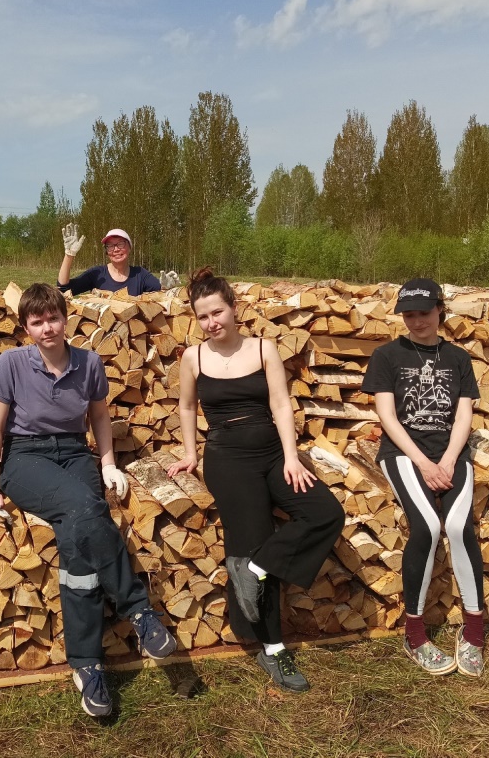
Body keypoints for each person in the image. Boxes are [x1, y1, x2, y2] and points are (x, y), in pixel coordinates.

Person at [0, 282, 176, 717]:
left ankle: (87, 666)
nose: (47, 328)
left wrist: (107, 463)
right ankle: (138, 611)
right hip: (24, 458)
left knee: (77, 538)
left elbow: (99, 416)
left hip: (73, 452)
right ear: (25, 327)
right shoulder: (10, 364)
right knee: (87, 509)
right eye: (37, 321)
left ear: (65, 318)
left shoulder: (88, 362)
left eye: (53, 318)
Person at [167, 268, 344, 693]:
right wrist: (192, 453)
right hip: (228, 459)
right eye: (204, 316)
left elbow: (282, 405)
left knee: (325, 513)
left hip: (271, 454)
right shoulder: (194, 358)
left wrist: (290, 457)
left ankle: (258, 567)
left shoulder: (264, 349)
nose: (213, 322)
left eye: (218, 312)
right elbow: (188, 408)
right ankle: (273, 648)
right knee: (251, 539)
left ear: (234, 308)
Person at [361, 278, 485, 677]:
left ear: (439, 311)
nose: (416, 321)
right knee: (429, 526)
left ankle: (475, 631)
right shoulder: (386, 356)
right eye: (409, 314)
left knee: (460, 526)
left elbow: (463, 414)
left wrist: (448, 458)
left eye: (424, 313)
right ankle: (414, 634)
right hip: (403, 454)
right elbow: (387, 416)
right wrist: (423, 463)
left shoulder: (459, 359)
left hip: (449, 454)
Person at [57, 223, 178, 296]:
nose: (115, 249)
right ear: (106, 252)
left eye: (120, 244)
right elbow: (63, 289)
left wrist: (167, 287)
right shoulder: (97, 274)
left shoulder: (140, 274)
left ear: (129, 247)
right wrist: (69, 254)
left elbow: (161, 290)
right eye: (110, 246)